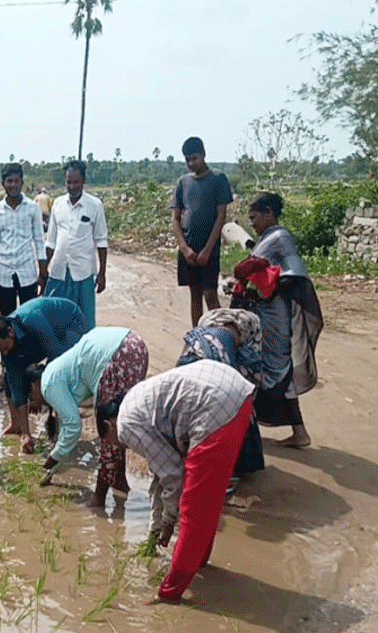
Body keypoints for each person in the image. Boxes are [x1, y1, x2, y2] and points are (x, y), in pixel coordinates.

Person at [96, 359, 255, 604]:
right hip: (235, 396)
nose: (117, 447)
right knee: (209, 497)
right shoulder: (134, 403)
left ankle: (170, 593)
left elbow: (172, 476)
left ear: (109, 425)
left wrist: (168, 522)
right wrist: (154, 530)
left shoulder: (126, 426)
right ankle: (198, 561)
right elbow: (159, 478)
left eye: (110, 441)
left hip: (215, 406)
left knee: (193, 506)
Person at [235, 192, 323, 448]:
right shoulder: (267, 238)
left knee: (273, 368)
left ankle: (286, 433)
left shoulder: (280, 238)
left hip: (274, 315)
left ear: (269, 214)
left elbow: (291, 276)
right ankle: (294, 432)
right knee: (263, 367)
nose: (251, 223)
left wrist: (257, 275)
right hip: (265, 312)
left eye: (254, 217)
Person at [24, 326, 148, 505]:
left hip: (119, 354)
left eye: (31, 398)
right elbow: (67, 429)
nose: (34, 403)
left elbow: (74, 426)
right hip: (135, 346)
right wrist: (53, 468)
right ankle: (120, 482)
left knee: (108, 428)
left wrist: (53, 458)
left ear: (34, 386)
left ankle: (98, 499)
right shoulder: (55, 372)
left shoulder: (47, 384)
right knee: (120, 423)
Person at [0, 296, 86, 454]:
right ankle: (18, 426)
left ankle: (60, 434)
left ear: (10, 332)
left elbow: (56, 362)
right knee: (10, 375)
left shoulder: (32, 321)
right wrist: (27, 435)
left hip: (69, 323)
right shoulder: (7, 347)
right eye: (0, 351)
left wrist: (38, 393)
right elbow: (16, 385)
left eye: (4, 347)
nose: (5, 353)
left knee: (58, 381)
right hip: (39, 340)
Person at [175, 308, 266, 484]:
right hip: (212, 364)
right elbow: (250, 388)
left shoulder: (200, 337)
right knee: (232, 407)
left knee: (194, 413)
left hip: (195, 359)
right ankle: (232, 464)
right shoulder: (244, 344)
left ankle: (194, 461)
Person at [0, 162, 47, 392]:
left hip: (27, 273)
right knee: (5, 324)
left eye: (16, 181)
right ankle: (6, 370)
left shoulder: (32, 208)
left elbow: (39, 241)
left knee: (28, 323)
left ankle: (28, 370)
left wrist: (43, 273)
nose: (12, 185)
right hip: (4, 274)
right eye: (8, 181)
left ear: (22, 182)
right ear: (3, 183)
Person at [171, 136, 233, 327]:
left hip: (209, 250)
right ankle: (197, 336)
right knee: (195, 294)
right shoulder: (183, 183)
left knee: (210, 295)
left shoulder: (217, 179)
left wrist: (207, 250)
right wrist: (184, 248)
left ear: (204, 155)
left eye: (195, 158)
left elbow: (220, 217)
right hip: (189, 249)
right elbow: (175, 218)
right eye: (188, 160)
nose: (191, 163)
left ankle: (220, 336)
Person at [45, 159, 108, 327]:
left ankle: (84, 354)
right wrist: (43, 270)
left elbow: (101, 240)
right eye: (68, 182)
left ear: (84, 181)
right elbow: (51, 241)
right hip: (58, 272)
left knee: (84, 322)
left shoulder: (95, 205)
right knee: (56, 321)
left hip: (83, 274)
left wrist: (102, 273)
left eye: (76, 182)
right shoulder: (58, 204)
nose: (72, 187)